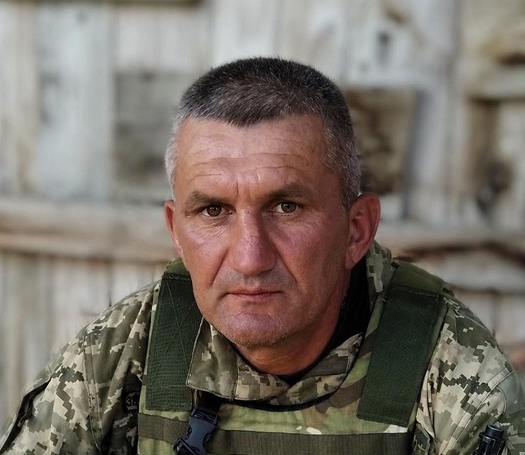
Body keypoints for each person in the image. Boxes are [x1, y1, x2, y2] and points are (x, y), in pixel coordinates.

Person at [0, 57, 523, 455]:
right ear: (176, 232)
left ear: (356, 230)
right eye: (213, 211)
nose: (250, 259)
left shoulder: (453, 374)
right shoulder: (125, 351)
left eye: (286, 207)